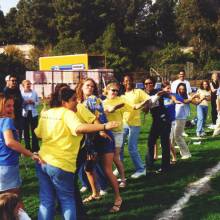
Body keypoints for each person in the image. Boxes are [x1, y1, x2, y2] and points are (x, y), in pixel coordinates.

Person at [34, 88, 119, 219]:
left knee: (47, 201)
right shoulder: (67, 114)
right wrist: (104, 126)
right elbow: (78, 128)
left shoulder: (47, 113)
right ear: (64, 102)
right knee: (67, 200)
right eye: (74, 100)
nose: (77, 102)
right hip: (60, 164)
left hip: (42, 161)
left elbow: (38, 133)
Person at [76, 78, 122, 212]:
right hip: (91, 139)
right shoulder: (80, 102)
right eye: (87, 85)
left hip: (103, 136)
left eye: (92, 86)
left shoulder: (93, 99)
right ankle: (95, 193)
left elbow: (100, 117)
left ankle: (118, 198)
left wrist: (101, 130)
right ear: (81, 87)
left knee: (107, 169)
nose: (90, 88)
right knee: (88, 168)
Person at [0, 93, 41, 201]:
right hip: (7, 165)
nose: (11, 108)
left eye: (12, 105)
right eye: (7, 106)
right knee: (14, 201)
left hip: (3, 164)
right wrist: (30, 153)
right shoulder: (6, 121)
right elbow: (9, 142)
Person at [121, 75, 150, 178]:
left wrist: (146, 107)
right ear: (123, 83)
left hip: (134, 124)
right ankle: (121, 167)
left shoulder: (138, 92)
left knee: (131, 148)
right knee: (118, 147)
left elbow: (148, 99)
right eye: (126, 81)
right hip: (123, 123)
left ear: (132, 81)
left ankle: (141, 169)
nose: (128, 82)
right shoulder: (121, 95)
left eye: (129, 80)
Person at [144, 77, 171, 173]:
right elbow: (146, 110)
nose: (148, 85)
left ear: (154, 83)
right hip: (156, 120)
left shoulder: (158, 91)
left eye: (150, 83)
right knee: (150, 141)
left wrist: (173, 98)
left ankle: (165, 167)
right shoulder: (144, 95)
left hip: (164, 119)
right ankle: (149, 165)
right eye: (146, 83)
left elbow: (169, 95)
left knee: (164, 143)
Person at [174, 83, 197, 159]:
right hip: (172, 119)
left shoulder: (186, 97)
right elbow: (183, 101)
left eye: (183, 89)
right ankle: (171, 153)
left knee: (177, 136)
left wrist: (201, 98)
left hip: (181, 119)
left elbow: (196, 103)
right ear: (177, 88)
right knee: (170, 137)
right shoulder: (175, 95)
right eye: (180, 89)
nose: (181, 90)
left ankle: (186, 153)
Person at [3, 75, 23, 141]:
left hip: (18, 114)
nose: (14, 82)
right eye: (12, 80)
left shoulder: (17, 89)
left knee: (19, 131)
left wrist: (16, 101)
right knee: (11, 132)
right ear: (8, 81)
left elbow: (20, 100)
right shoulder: (5, 91)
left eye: (15, 81)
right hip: (10, 115)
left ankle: (18, 148)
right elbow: (6, 103)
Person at [21, 80, 39, 152]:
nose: (29, 85)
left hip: (33, 113)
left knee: (34, 131)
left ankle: (35, 148)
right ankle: (27, 147)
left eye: (29, 84)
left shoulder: (34, 92)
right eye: (27, 84)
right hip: (25, 114)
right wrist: (25, 102)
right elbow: (19, 104)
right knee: (26, 131)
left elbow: (38, 102)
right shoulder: (21, 93)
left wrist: (33, 102)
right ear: (23, 85)